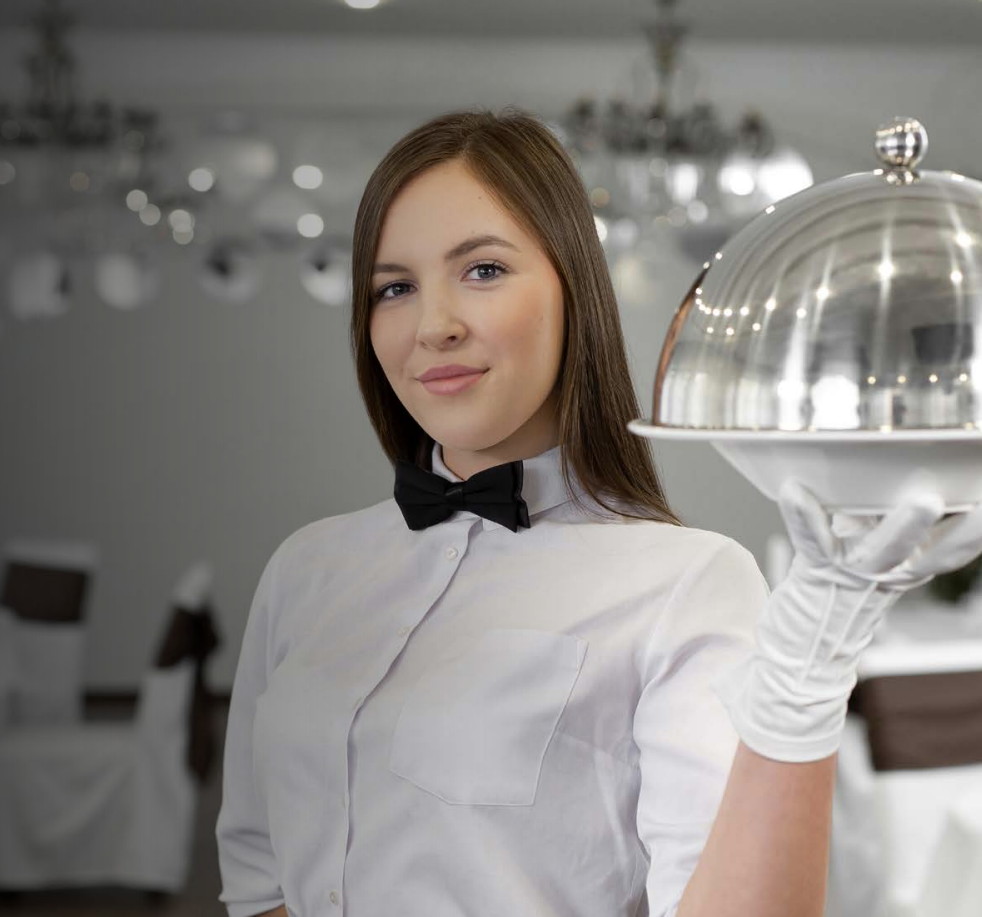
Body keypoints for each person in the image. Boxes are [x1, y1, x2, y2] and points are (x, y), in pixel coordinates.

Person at [215, 107, 982, 917]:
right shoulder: (305, 568)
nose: (432, 326)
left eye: (482, 271)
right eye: (394, 287)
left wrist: (804, 685)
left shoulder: (689, 583)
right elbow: (260, 868)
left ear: (573, 288)